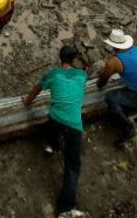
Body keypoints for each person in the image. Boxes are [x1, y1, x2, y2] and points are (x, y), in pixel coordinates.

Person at [23, 45, 87, 218]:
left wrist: (27, 102)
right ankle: (66, 208)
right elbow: (80, 88)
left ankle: (51, 145)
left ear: (60, 58)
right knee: (72, 167)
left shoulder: (53, 74)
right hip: (73, 124)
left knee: (53, 124)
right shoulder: (82, 75)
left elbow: (36, 89)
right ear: (74, 60)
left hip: (55, 119)